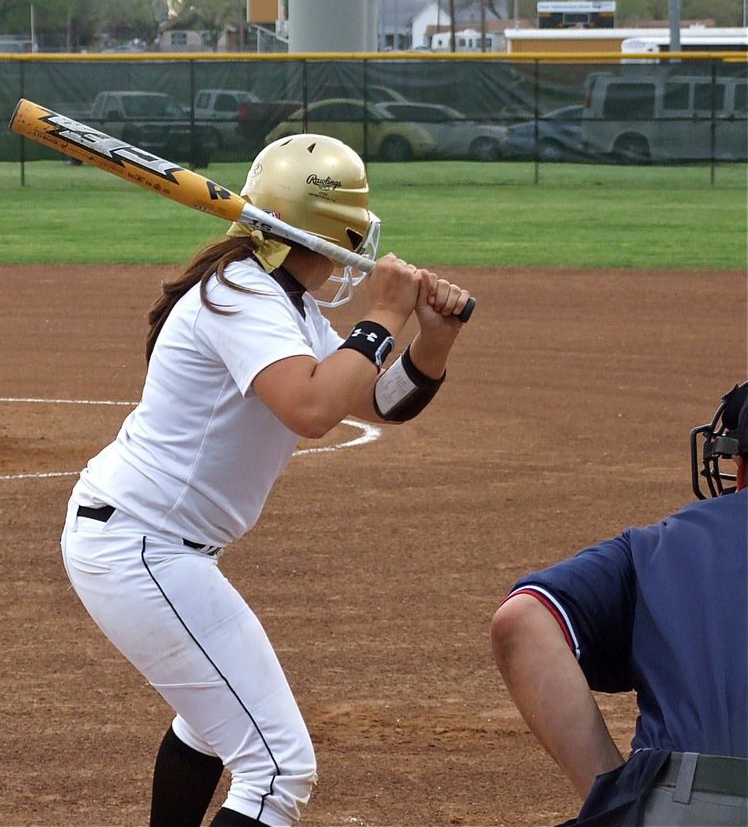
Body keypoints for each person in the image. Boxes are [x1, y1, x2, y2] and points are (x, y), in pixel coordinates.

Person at [60, 134, 471, 827]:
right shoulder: (241, 291)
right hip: (139, 544)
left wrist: (430, 339)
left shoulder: (283, 301)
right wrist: (384, 315)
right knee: (278, 767)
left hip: (151, 543)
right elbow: (311, 408)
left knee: (210, 723)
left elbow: (372, 400)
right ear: (324, 231)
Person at [490, 382, 748, 826]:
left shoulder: (664, 546)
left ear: (738, 467)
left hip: (681, 806)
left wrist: (612, 802)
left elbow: (523, 619)